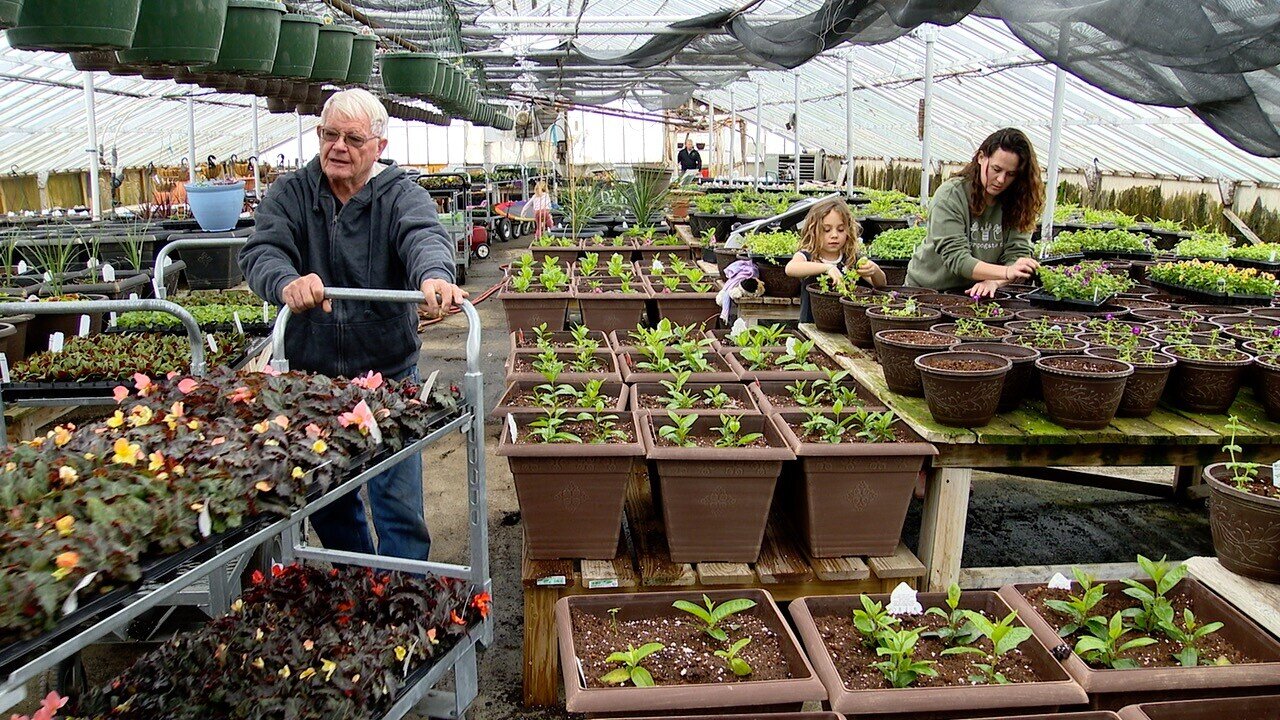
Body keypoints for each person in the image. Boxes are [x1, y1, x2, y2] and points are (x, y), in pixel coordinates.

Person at [239, 88, 467, 562]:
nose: (338, 147)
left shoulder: (400, 195)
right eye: (329, 135)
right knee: (326, 496)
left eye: (352, 138)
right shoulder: (292, 193)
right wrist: (286, 281)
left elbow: (422, 235)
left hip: (387, 373)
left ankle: (405, 592)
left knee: (397, 498)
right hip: (312, 377)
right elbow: (261, 252)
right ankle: (358, 582)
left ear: (379, 146)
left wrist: (434, 275)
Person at [905, 127, 1045, 298]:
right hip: (928, 290)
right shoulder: (952, 195)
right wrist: (1006, 272)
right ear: (981, 158)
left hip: (977, 292)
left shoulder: (1018, 201)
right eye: (996, 169)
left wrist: (994, 281)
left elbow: (1017, 254)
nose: (1001, 180)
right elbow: (957, 259)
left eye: (1010, 174)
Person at [785, 197, 886, 322]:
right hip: (811, 326)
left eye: (840, 229)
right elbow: (790, 268)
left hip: (844, 328)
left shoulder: (850, 259)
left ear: (848, 230)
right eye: (826, 230)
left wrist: (874, 270)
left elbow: (881, 285)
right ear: (814, 231)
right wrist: (828, 268)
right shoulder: (808, 256)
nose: (834, 235)